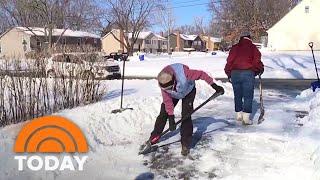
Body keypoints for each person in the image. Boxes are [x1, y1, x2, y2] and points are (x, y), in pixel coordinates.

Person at [147, 63, 224, 156]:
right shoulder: (163, 82)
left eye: (170, 87)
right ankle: (154, 137)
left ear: (174, 81)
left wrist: (214, 85)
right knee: (163, 114)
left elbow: (202, 74)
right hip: (174, 95)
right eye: (167, 89)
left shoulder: (185, 74)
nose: (169, 89)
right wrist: (171, 117)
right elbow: (168, 102)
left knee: (186, 116)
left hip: (188, 91)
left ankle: (186, 143)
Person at [224, 32, 264, 125]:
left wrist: (229, 73)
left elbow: (229, 61)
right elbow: (257, 62)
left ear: (241, 38)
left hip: (235, 73)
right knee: (248, 95)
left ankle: (238, 114)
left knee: (237, 94)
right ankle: (246, 118)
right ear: (249, 38)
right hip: (248, 73)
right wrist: (259, 69)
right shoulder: (253, 48)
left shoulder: (234, 48)